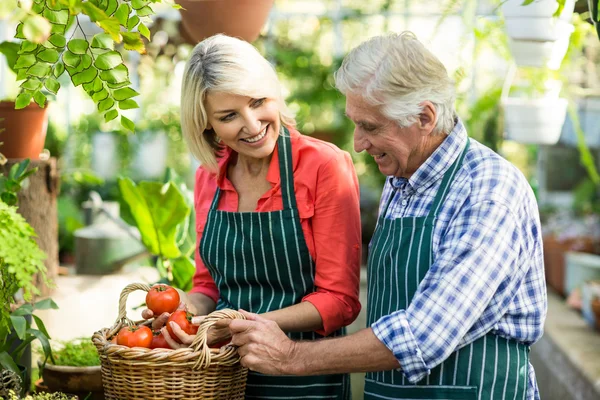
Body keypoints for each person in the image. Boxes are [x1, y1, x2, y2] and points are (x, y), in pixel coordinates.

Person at [221, 31, 548, 400]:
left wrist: (291, 356)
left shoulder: (487, 191)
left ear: (425, 116)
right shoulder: (403, 177)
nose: (358, 143)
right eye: (356, 123)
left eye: (371, 127)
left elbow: (423, 335)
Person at [145, 33, 362, 399]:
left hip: (303, 377)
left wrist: (237, 325)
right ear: (206, 124)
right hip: (219, 377)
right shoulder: (208, 178)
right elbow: (209, 288)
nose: (252, 124)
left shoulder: (324, 166)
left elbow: (339, 301)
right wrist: (184, 308)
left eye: (258, 102)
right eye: (229, 116)